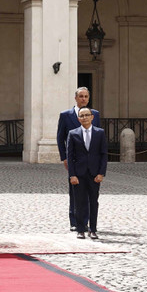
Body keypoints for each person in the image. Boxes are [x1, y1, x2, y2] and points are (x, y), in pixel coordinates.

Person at [57, 87, 101, 232]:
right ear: (75, 98)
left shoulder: (95, 114)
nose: (83, 99)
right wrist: (64, 157)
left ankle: (86, 222)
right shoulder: (65, 115)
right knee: (75, 190)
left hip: (91, 162)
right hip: (74, 160)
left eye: (86, 96)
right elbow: (60, 137)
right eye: (81, 96)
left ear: (89, 98)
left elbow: (98, 138)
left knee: (90, 192)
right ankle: (74, 220)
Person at [67, 108, 107, 240]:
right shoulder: (73, 133)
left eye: (87, 115)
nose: (84, 118)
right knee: (79, 202)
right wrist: (72, 175)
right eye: (81, 116)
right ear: (78, 119)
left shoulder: (100, 133)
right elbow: (70, 156)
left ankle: (93, 229)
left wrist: (101, 173)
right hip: (79, 174)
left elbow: (103, 155)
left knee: (93, 202)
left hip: (94, 174)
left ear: (92, 117)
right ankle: (80, 229)